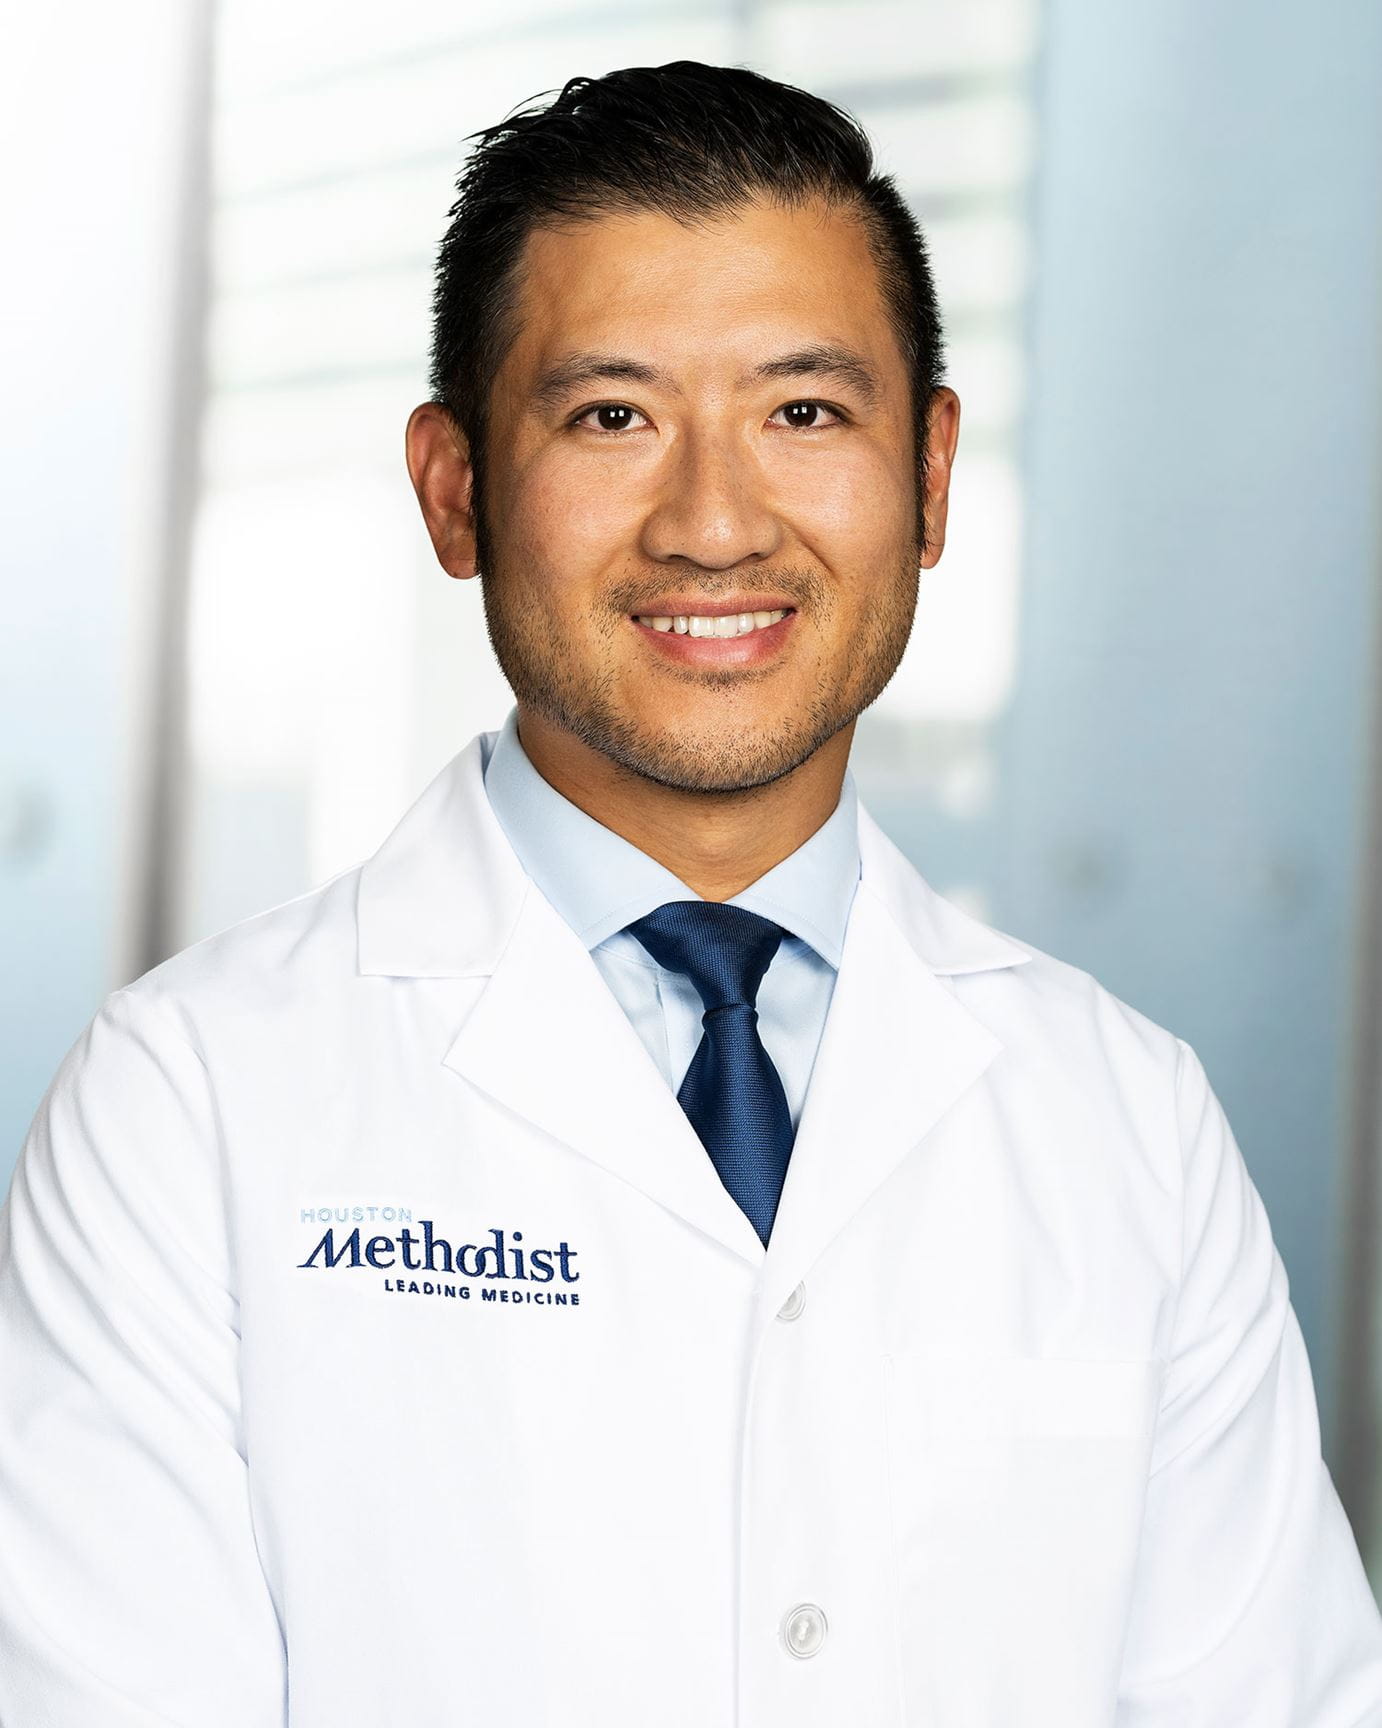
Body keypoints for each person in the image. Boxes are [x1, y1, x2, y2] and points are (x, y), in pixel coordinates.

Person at [1, 58, 1379, 1728]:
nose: (714, 524)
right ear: (454, 489)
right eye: (612, 417)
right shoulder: (186, 1105)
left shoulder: (1127, 1122)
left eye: (804, 414)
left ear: (931, 475)